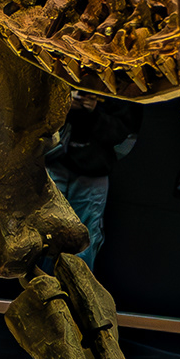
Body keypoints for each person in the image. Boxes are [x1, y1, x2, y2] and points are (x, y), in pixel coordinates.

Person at [45, 92, 140, 269]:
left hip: (93, 172)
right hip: (55, 163)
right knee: (46, 230)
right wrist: (63, 105)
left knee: (85, 237)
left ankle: (76, 284)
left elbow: (123, 132)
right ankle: (40, 282)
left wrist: (95, 110)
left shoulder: (121, 87)